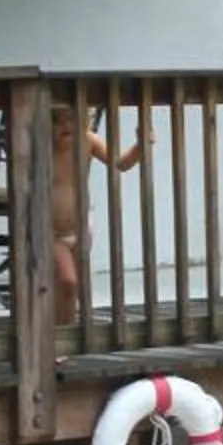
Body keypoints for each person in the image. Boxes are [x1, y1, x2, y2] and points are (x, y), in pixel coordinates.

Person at [50, 102, 141, 298]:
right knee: (67, 281)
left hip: (81, 227)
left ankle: (70, 326)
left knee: (78, 289)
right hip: (51, 232)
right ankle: (60, 326)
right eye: (56, 121)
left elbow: (120, 163)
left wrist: (140, 145)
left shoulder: (88, 141)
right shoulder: (40, 147)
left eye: (71, 119)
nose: (65, 126)